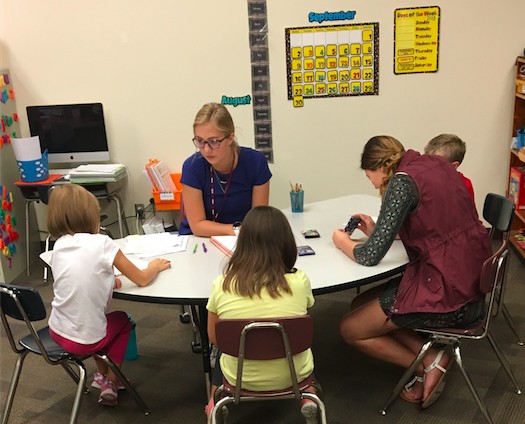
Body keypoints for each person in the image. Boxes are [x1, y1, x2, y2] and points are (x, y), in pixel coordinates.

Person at [332, 136, 492, 408]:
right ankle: (429, 357)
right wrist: (377, 230)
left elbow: (370, 256)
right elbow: (431, 222)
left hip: (449, 293)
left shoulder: (401, 182)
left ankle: (425, 365)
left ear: (381, 167)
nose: (371, 182)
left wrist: (342, 241)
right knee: (359, 304)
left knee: (350, 328)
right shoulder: (435, 165)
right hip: (469, 276)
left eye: (369, 175)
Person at [46, 184, 171, 407]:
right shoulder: (102, 243)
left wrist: (103, 278)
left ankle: (103, 376)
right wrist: (155, 266)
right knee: (121, 321)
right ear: (90, 215)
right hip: (85, 340)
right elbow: (141, 279)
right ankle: (112, 383)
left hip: (57, 331)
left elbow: (77, 279)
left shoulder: (59, 245)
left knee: (97, 324)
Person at [206, 206, 319, 423]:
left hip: (239, 378)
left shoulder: (222, 285)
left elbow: (214, 338)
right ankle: (309, 397)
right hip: (294, 377)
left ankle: (214, 403)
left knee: (223, 347)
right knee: (300, 340)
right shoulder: (300, 280)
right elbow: (305, 316)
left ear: (243, 245)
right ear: (287, 244)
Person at [179, 102, 272, 236]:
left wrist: (243, 233)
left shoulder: (255, 162)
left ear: (230, 137)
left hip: (245, 240)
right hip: (201, 240)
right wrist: (237, 230)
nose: (206, 149)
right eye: (200, 141)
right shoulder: (192, 167)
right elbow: (198, 226)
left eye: (214, 141)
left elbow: (258, 219)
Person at [424, 133, 475, 200]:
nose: (428, 166)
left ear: (454, 166)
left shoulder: (464, 185)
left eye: (435, 163)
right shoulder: (424, 180)